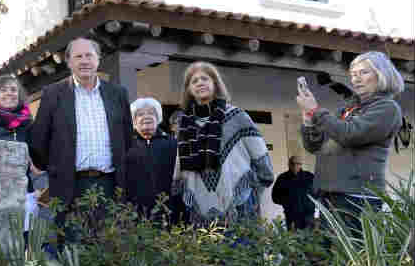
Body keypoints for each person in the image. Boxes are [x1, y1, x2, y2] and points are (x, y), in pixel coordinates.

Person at [28, 37, 133, 247]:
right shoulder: (53, 94)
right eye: (78, 56)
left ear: (98, 59)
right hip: (69, 186)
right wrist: (55, 168)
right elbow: (39, 139)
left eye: (89, 55)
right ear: (68, 62)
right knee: (71, 248)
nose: (84, 61)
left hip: (110, 185)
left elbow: (126, 137)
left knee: (109, 248)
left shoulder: (117, 94)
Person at [297, 51, 404, 228]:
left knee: (351, 256)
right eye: (353, 74)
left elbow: (350, 134)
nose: (356, 79)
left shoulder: (387, 108)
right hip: (330, 194)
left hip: (357, 197)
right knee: (328, 255)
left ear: (381, 74)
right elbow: (315, 146)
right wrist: (309, 121)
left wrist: (316, 111)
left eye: (364, 72)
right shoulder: (346, 110)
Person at [175, 61, 273, 226]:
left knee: (243, 250)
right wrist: (178, 188)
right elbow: (180, 168)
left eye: (204, 79)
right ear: (189, 90)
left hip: (239, 205)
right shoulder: (185, 125)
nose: (199, 83)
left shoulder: (237, 117)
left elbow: (262, 160)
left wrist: (249, 189)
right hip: (199, 210)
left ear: (215, 83)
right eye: (194, 81)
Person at [123, 98, 177, 221]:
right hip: (134, 212)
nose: (146, 117)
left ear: (158, 118)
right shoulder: (125, 145)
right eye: (140, 114)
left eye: (151, 113)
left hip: (167, 210)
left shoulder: (172, 144)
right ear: (133, 121)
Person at [271, 156, 315, 230]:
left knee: (310, 239)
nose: (295, 166)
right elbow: (275, 197)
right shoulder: (282, 178)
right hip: (291, 216)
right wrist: (288, 203)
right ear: (288, 164)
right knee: (293, 239)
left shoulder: (309, 177)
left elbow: (317, 193)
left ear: (301, 164)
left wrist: (310, 204)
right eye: (292, 163)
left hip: (308, 216)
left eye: (298, 164)